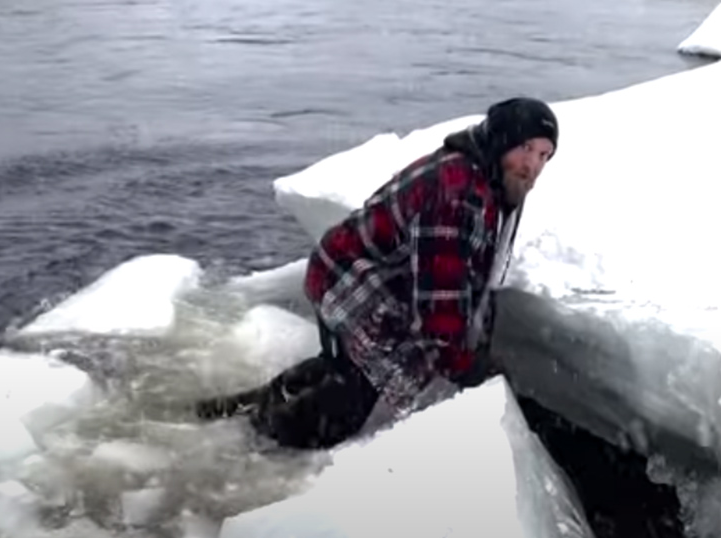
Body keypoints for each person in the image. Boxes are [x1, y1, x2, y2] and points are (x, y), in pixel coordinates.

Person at [196, 97, 559, 450]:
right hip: (349, 280)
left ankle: (245, 405)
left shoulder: (487, 180)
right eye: (526, 148)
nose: (533, 165)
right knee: (348, 405)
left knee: (344, 368)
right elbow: (441, 296)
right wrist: (468, 367)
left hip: (369, 276)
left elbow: (471, 279)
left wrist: (473, 349)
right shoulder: (458, 193)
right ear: (500, 140)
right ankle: (257, 436)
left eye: (544, 155)